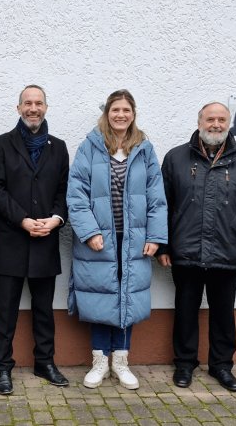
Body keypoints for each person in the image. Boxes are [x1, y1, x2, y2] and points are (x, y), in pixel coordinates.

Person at [158, 102, 236, 393]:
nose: (215, 124)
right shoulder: (175, 158)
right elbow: (162, 207)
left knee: (223, 313)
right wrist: (162, 247)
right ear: (199, 122)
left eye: (221, 119)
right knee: (185, 310)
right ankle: (184, 363)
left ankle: (221, 365)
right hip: (185, 251)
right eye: (210, 119)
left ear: (229, 124)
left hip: (228, 251)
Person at [67, 89, 167, 390]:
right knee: (101, 296)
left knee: (128, 297)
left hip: (133, 240)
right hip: (98, 240)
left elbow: (156, 198)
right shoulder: (90, 147)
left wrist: (155, 236)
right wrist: (90, 232)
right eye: (115, 110)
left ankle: (121, 362)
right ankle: (99, 362)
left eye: (126, 110)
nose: (120, 115)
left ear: (133, 114)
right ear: (107, 113)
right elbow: (76, 195)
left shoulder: (145, 149)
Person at [0, 85, 70, 395]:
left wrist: (56, 219)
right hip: (11, 240)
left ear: (46, 107)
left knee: (44, 309)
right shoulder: (0, 144)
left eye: (38, 103)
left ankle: (44, 362)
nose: (33, 108)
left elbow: (64, 191)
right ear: (18, 108)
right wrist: (22, 219)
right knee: (5, 310)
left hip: (46, 240)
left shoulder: (58, 148)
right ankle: (3, 367)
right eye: (27, 103)